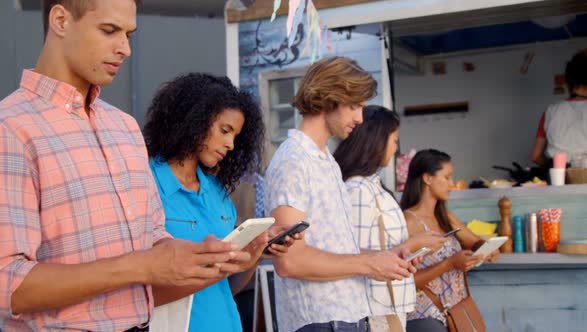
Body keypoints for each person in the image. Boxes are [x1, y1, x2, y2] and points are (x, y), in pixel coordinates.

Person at [0, 1, 246, 331]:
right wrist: (141, 266)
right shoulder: (11, 129)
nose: (125, 49)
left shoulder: (125, 128)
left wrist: (199, 256)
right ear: (60, 20)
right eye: (109, 31)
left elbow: (153, 238)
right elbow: (7, 286)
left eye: (129, 34)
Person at [263, 56, 417, 332]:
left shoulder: (325, 159)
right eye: (354, 106)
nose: (359, 118)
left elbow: (334, 249)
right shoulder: (293, 161)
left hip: (346, 315)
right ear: (329, 99)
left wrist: (386, 257)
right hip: (319, 321)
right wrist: (369, 263)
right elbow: (289, 260)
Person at [143, 73, 300, 332]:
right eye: (224, 130)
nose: (229, 144)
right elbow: (144, 292)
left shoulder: (218, 194)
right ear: (192, 120)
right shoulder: (145, 185)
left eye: (236, 137)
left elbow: (227, 286)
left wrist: (254, 252)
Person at [333, 106, 448, 332]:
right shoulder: (357, 190)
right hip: (374, 309)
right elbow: (351, 253)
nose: (396, 149)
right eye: (394, 141)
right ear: (376, 141)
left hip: (390, 304)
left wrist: (408, 255)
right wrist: (412, 245)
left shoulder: (374, 187)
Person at [400, 149, 499, 332]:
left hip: (454, 314)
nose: (452, 184)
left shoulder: (445, 216)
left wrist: (487, 250)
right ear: (427, 178)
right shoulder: (408, 221)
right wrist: (450, 263)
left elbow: (474, 242)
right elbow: (403, 282)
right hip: (424, 318)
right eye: (447, 177)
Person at [530, 52, 587, 167]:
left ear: (567, 83)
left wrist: (553, 166)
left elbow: (535, 156)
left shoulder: (550, 112)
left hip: (560, 177)